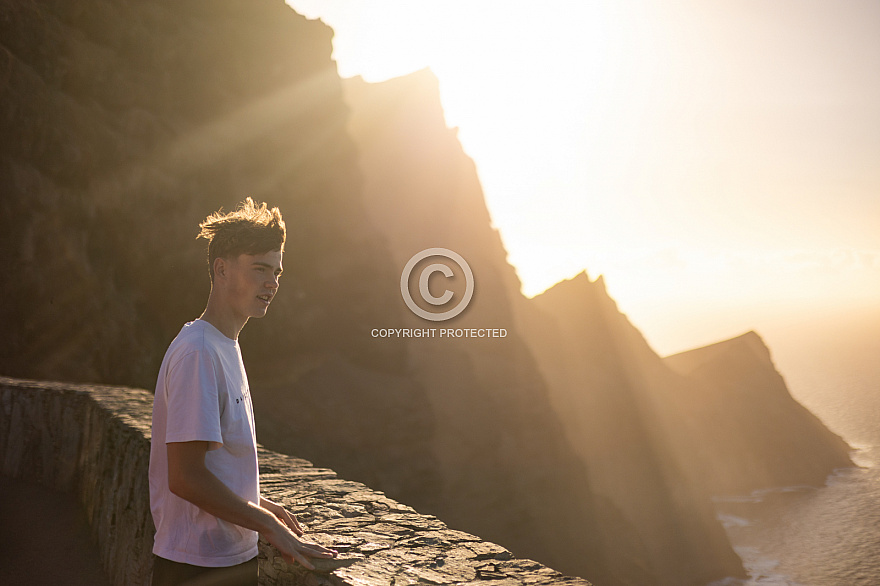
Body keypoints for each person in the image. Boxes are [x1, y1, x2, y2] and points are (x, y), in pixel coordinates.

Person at [148, 198, 336, 585]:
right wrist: (266, 523)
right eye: (260, 269)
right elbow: (184, 476)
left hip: (225, 557)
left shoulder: (224, 345)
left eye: (278, 273)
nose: (272, 283)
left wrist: (258, 502)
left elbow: (217, 465)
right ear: (221, 269)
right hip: (196, 563)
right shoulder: (199, 351)